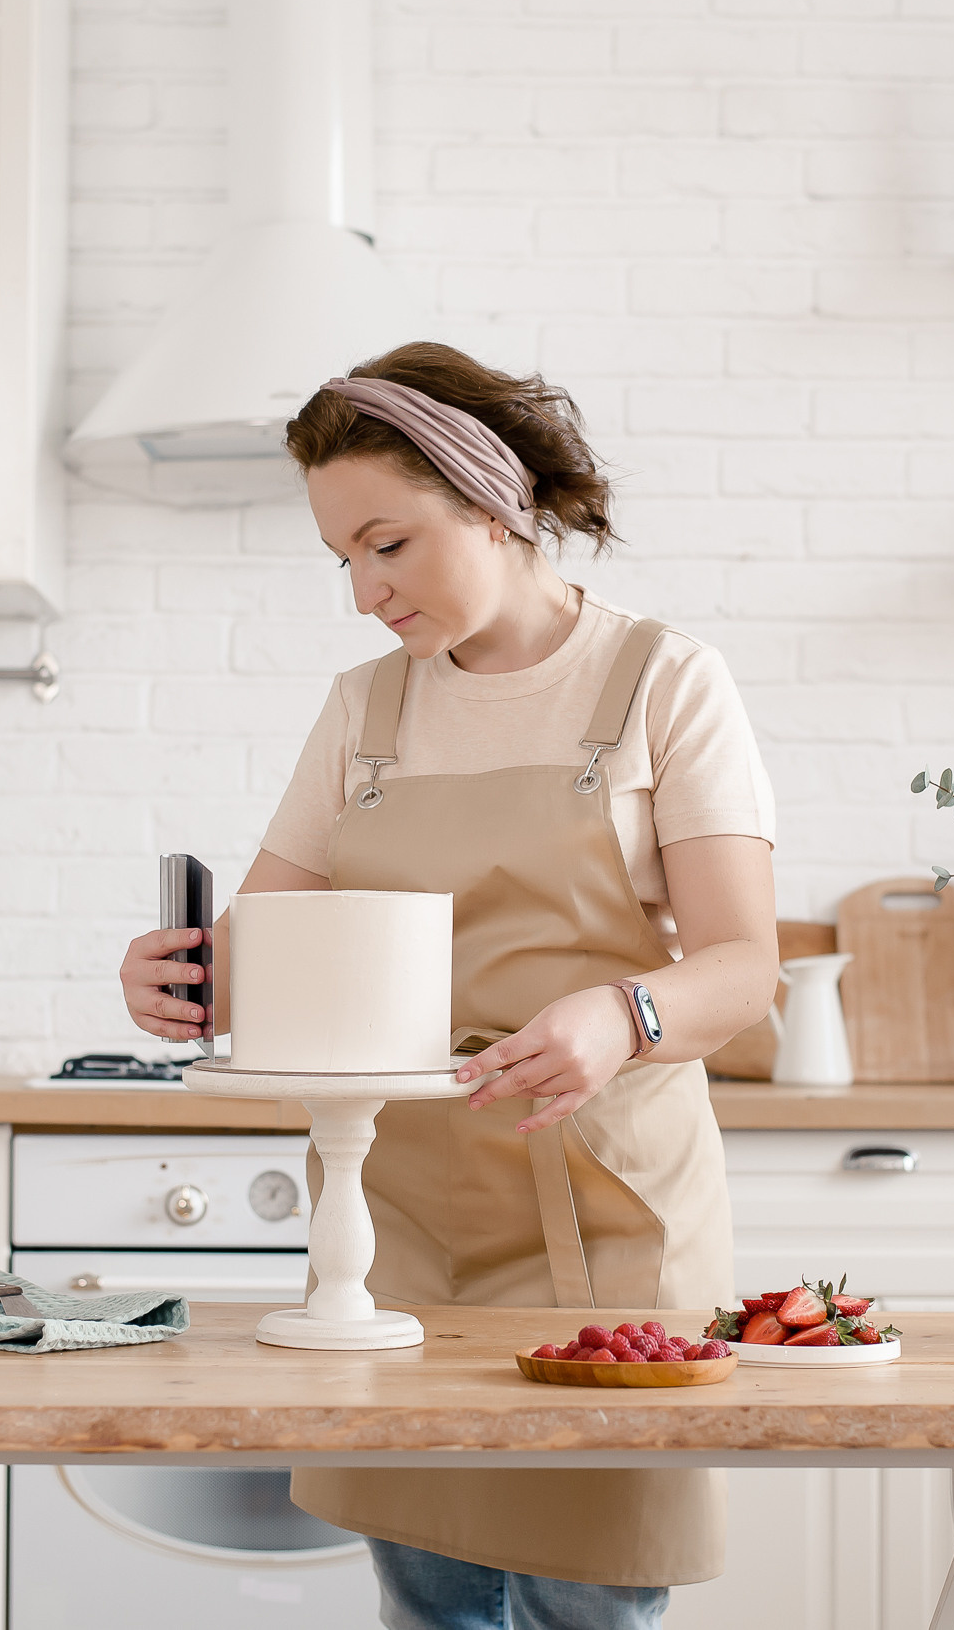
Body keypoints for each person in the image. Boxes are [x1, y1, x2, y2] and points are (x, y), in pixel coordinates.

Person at [117, 342, 778, 1628]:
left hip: (606, 1212)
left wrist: (623, 1011)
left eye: (389, 544)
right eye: (343, 561)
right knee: (427, 1601)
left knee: (589, 1603)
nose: (364, 593)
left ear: (489, 499)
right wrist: (182, 975)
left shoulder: (662, 683)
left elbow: (744, 966)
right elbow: (269, 936)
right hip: (398, 1224)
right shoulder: (363, 711)